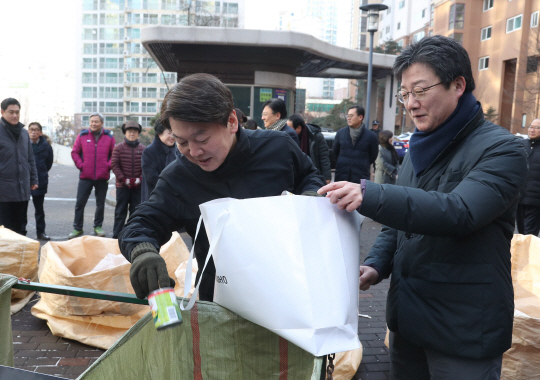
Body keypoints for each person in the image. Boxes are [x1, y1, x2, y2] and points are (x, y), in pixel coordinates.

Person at [318, 36, 528, 380]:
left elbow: (460, 212)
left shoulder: (502, 150)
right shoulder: (419, 147)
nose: (411, 104)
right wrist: (375, 264)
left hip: (463, 329)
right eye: (405, 94)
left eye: (420, 91)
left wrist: (370, 195)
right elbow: (398, 224)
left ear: (458, 85)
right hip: (408, 322)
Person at [118, 73, 325, 301]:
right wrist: (142, 252)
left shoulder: (278, 148)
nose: (194, 152)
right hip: (219, 300)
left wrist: (311, 198)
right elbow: (143, 222)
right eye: (182, 142)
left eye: (202, 139)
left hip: (289, 289)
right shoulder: (178, 176)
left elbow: (309, 176)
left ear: (232, 122)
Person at [69, 112, 115, 239]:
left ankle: (98, 226)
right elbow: (75, 152)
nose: (93, 124)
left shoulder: (109, 137)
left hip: (102, 176)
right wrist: (81, 165)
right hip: (85, 176)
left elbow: (114, 155)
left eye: (96, 121)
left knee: (100, 204)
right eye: (91, 121)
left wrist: (107, 166)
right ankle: (77, 228)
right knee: (80, 203)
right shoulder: (82, 136)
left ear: (101, 123)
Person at [0, 98, 38, 235]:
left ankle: (19, 256)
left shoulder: (23, 133)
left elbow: (30, 158)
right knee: (5, 230)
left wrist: (33, 179)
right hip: (3, 192)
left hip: (22, 190)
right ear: (2, 112)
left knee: (21, 228)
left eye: (17, 112)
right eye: (11, 112)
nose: (15, 115)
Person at [111, 120, 146, 239]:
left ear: (138, 134)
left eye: (134, 132)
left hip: (138, 187)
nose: (132, 134)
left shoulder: (143, 149)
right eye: (129, 131)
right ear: (125, 133)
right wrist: (124, 179)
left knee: (135, 212)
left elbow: (145, 166)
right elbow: (115, 165)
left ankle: (132, 235)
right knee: (120, 212)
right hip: (122, 187)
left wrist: (139, 179)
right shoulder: (118, 148)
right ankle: (116, 236)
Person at [333, 105, 378, 183]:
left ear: (360, 117)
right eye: (348, 116)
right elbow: (335, 152)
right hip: (342, 175)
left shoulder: (371, 136)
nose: (348, 118)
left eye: (351, 116)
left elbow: (373, 156)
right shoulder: (341, 133)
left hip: (360, 177)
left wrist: (361, 163)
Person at [27, 122, 54, 240]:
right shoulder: (23, 144)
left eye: (36, 130)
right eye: (31, 129)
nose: (33, 132)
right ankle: (21, 232)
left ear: (40, 132)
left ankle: (41, 232)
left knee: (39, 209)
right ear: (27, 131)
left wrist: (40, 173)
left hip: (40, 181)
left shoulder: (46, 146)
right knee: (21, 209)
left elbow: (49, 163)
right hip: (24, 181)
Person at [287, 114, 331, 184]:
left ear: (298, 128)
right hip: (297, 176)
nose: (287, 130)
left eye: (289, 128)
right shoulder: (289, 137)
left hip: (314, 174)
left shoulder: (316, 136)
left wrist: (327, 177)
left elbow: (324, 157)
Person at [140, 121, 177, 202]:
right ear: (159, 133)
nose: (172, 136)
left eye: (174, 133)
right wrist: (172, 185)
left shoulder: (177, 151)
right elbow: (151, 177)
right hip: (155, 197)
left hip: (175, 198)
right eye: (169, 133)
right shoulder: (149, 151)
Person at [516, 118, 540, 235]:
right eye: (531, 126)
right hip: (518, 198)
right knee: (520, 233)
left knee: (529, 235)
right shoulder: (521, 145)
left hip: (535, 200)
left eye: (537, 128)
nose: (532, 130)